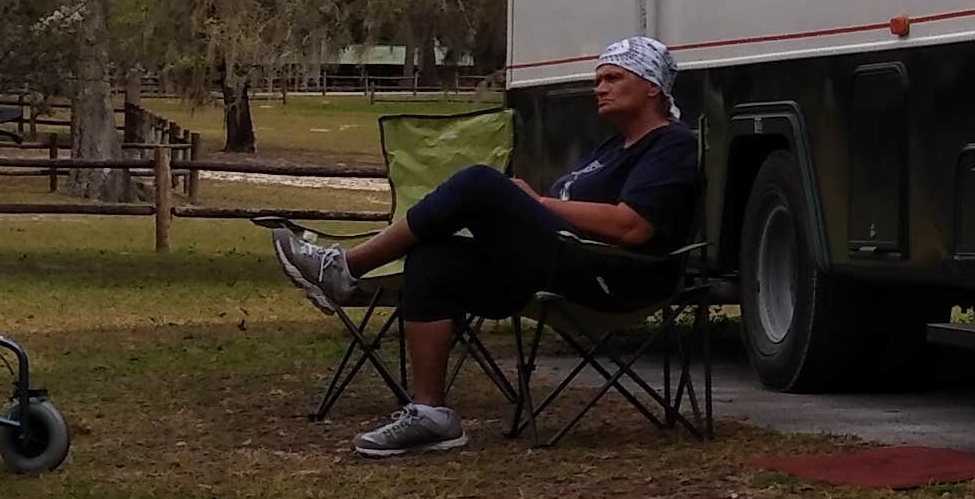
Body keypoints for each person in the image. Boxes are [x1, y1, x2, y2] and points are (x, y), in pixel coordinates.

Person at [275, 37, 702, 455]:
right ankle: (430, 416)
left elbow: (632, 227)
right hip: (567, 263)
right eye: (598, 79)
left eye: (613, 77)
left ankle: (345, 269)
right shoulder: (613, 147)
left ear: (651, 86)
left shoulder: (671, 144)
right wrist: (533, 205)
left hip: (618, 275)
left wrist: (534, 202)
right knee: (433, 258)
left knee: (479, 184)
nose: (599, 87)